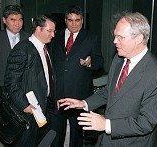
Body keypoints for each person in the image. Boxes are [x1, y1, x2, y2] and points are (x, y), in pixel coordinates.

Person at [58, 12, 157, 147]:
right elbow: (108, 92)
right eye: (115, 36)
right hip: (105, 140)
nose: (114, 41)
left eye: (120, 37)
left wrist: (106, 124)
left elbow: (146, 122)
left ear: (139, 38)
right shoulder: (119, 59)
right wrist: (83, 103)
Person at [49, 5, 104, 147]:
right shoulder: (55, 36)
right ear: (65, 20)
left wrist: (90, 63)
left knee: (77, 135)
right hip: (58, 93)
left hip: (80, 94)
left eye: (77, 20)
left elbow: (99, 61)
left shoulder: (91, 37)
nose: (74, 24)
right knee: (55, 133)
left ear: (82, 20)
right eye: (70, 20)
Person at [3, 14, 57, 147]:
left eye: (54, 31)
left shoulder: (44, 48)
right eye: (49, 31)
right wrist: (24, 105)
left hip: (43, 108)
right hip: (29, 111)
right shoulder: (22, 49)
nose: (53, 35)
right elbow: (11, 82)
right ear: (38, 29)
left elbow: (47, 77)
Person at [0, 4, 30, 147]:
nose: (17, 24)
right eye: (13, 20)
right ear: (4, 20)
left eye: (20, 20)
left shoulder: (28, 38)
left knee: (18, 124)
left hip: (21, 89)